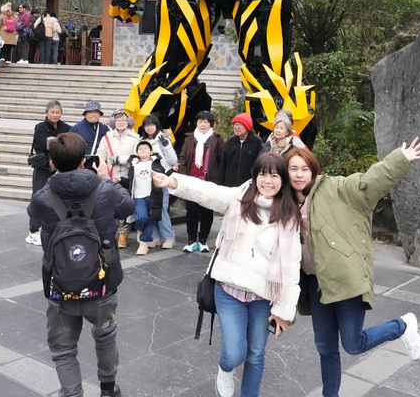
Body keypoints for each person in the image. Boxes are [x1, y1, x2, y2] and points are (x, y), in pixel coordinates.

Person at [284, 140, 420, 397]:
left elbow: (367, 183)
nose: (299, 174)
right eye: (293, 169)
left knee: (353, 344)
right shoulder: (284, 203)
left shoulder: (335, 188)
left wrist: (399, 159)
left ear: (314, 170)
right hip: (315, 284)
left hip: (345, 280)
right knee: (325, 347)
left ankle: (402, 326)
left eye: (304, 169)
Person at [152, 153, 301, 397]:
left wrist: (284, 310)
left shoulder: (289, 216)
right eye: (263, 174)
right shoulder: (238, 199)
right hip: (229, 290)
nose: (268, 181)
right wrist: (173, 181)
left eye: (274, 176)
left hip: (263, 297)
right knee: (234, 354)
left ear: (282, 180)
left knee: (256, 355)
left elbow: (291, 266)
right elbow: (207, 191)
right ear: (255, 176)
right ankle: (225, 368)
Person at [27, 132, 134, 397]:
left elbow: (33, 213)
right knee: (105, 336)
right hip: (102, 282)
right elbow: (129, 207)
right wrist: (105, 176)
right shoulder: (105, 190)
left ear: (52, 163)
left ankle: (72, 394)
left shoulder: (43, 196)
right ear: (84, 160)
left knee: (63, 350)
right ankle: (108, 389)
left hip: (60, 284)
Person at [175, 110, 224, 252]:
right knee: (191, 211)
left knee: (207, 211)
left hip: (209, 181)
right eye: (200, 121)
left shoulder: (217, 139)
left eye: (206, 122)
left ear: (211, 124)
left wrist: (218, 180)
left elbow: (221, 160)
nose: (203, 124)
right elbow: (183, 158)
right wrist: (182, 176)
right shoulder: (190, 139)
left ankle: (203, 240)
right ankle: (191, 240)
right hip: (191, 180)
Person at [28, 100, 71, 245]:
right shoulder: (40, 127)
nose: (55, 115)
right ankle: (34, 230)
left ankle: (56, 228)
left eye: (58, 112)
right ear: (46, 113)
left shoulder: (66, 127)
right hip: (43, 168)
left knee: (60, 197)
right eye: (52, 112)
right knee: (38, 196)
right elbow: (43, 144)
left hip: (60, 167)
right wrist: (61, 142)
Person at [96, 109, 141, 247]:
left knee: (124, 203)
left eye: (124, 120)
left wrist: (120, 160)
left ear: (129, 122)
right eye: (118, 120)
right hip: (110, 175)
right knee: (109, 204)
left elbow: (137, 157)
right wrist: (103, 168)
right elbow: (100, 155)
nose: (121, 122)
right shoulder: (106, 138)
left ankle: (123, 232)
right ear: (113, 122)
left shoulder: (135, 138)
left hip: (127, 176)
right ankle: (110, 232)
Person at [139, 115, 178, 249]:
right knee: (150, 210)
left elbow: (173, 160)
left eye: (151, 124)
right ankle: (154, 237)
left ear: (157, 126)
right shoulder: (142, 141)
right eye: (146, 125)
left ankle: (169, 237)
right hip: (146, 180)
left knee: (161, 210)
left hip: (162, 180)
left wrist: (166, 146)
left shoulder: (163, 140)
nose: (149, 127)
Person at [125, 140, 169, 255]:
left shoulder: (156, 163)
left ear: (151, 152)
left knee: (151, 217)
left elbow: (165, 174)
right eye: (140, 149)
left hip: (153, 195)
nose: (143, 150)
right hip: (138, 196)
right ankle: (140, 229)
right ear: (137, 153)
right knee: (141, 217)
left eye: (146, 148)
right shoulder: (134, 164)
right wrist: (120, 180)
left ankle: (143, 243)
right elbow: (130, 181)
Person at [221, 113, 265, 188]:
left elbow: (261, 165)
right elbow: (223, 164)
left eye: (240, 124)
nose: (237, 127)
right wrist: (220, 183)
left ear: (247, 126)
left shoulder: (257, 142)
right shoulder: (231, 141)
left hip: (249, 185)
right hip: (230, 185)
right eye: (235, 124)